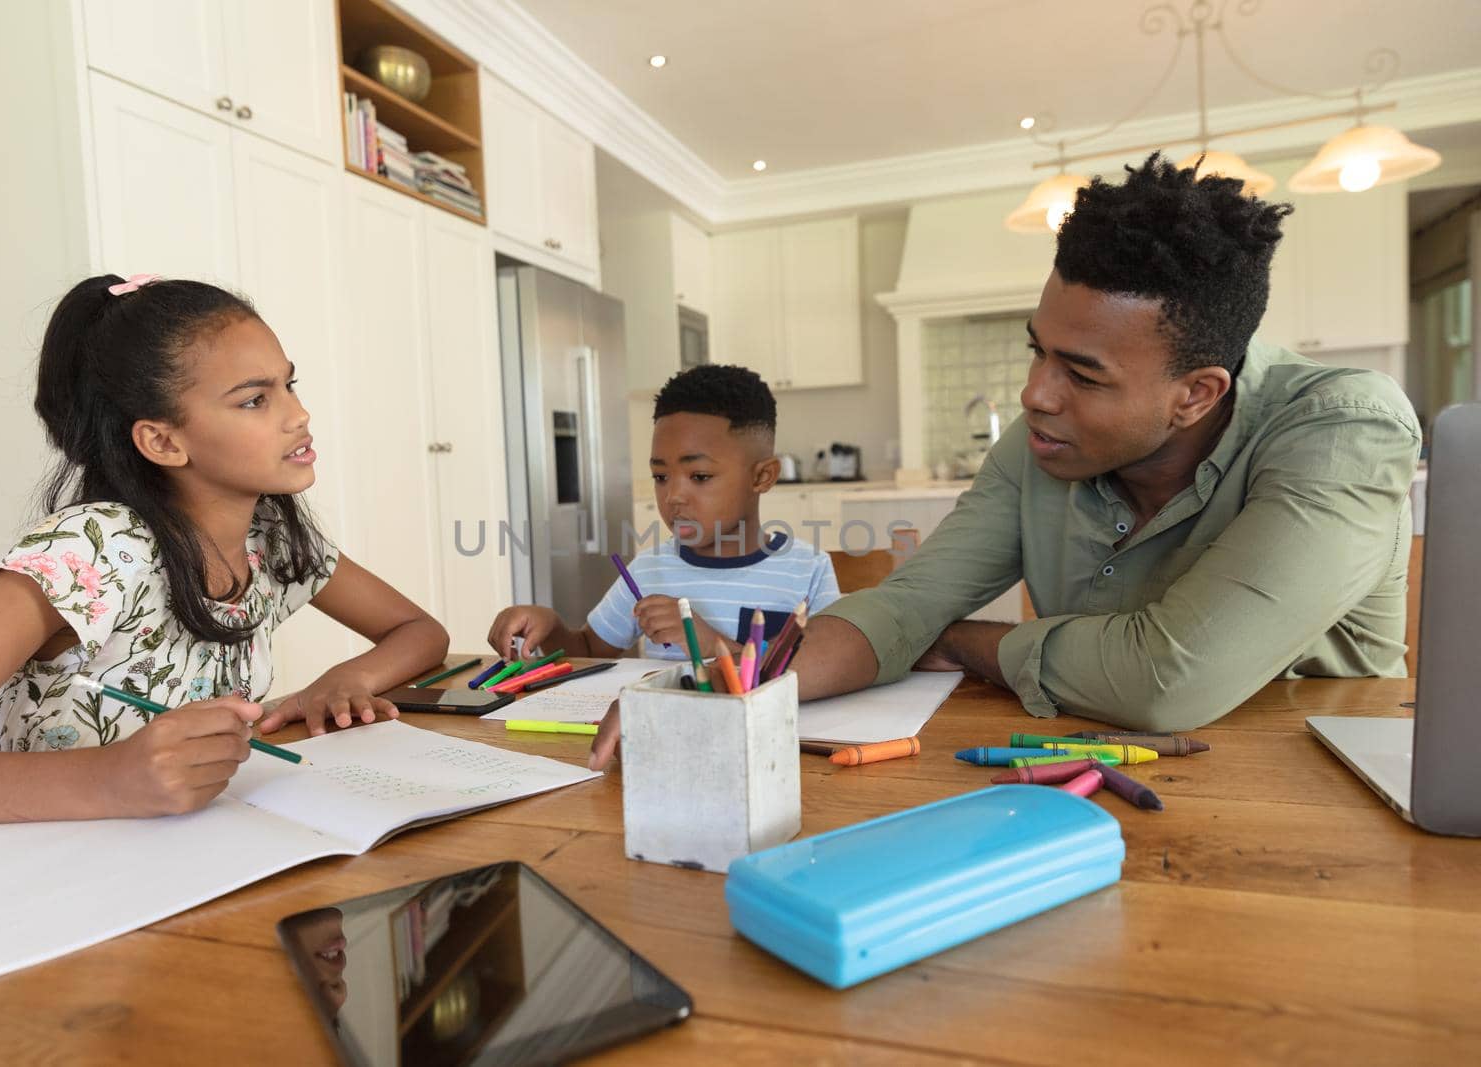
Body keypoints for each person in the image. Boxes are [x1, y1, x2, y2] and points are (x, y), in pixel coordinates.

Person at [591, 154, 1421, 768]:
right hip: (1087, 775)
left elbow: (1169, 680)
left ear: (1196, 394)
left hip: (1310, 791)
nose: (1036, 395)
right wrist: (739, 696)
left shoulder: (1343, 430)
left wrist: (969, 642)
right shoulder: (1044, 444)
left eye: (1082, 373)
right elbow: (908, 604)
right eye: (1039, 352)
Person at [0, 274, 449, 829]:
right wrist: (105, 778)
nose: (298, 415)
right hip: (32, 879)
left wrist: (346, 679)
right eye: (254, 400)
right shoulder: (90, 551)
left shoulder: (269, 539)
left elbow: (418, 630)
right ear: (162, 441)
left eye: (289, 385)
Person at [488, 364, 840, 662]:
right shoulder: (647, 571)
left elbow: (824, 670)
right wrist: (551, 629)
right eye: (660, 476)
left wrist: (711, 645)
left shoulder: (809, 571)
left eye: (699, 477)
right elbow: (590, 650)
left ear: (762, 476)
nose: (673, 496)